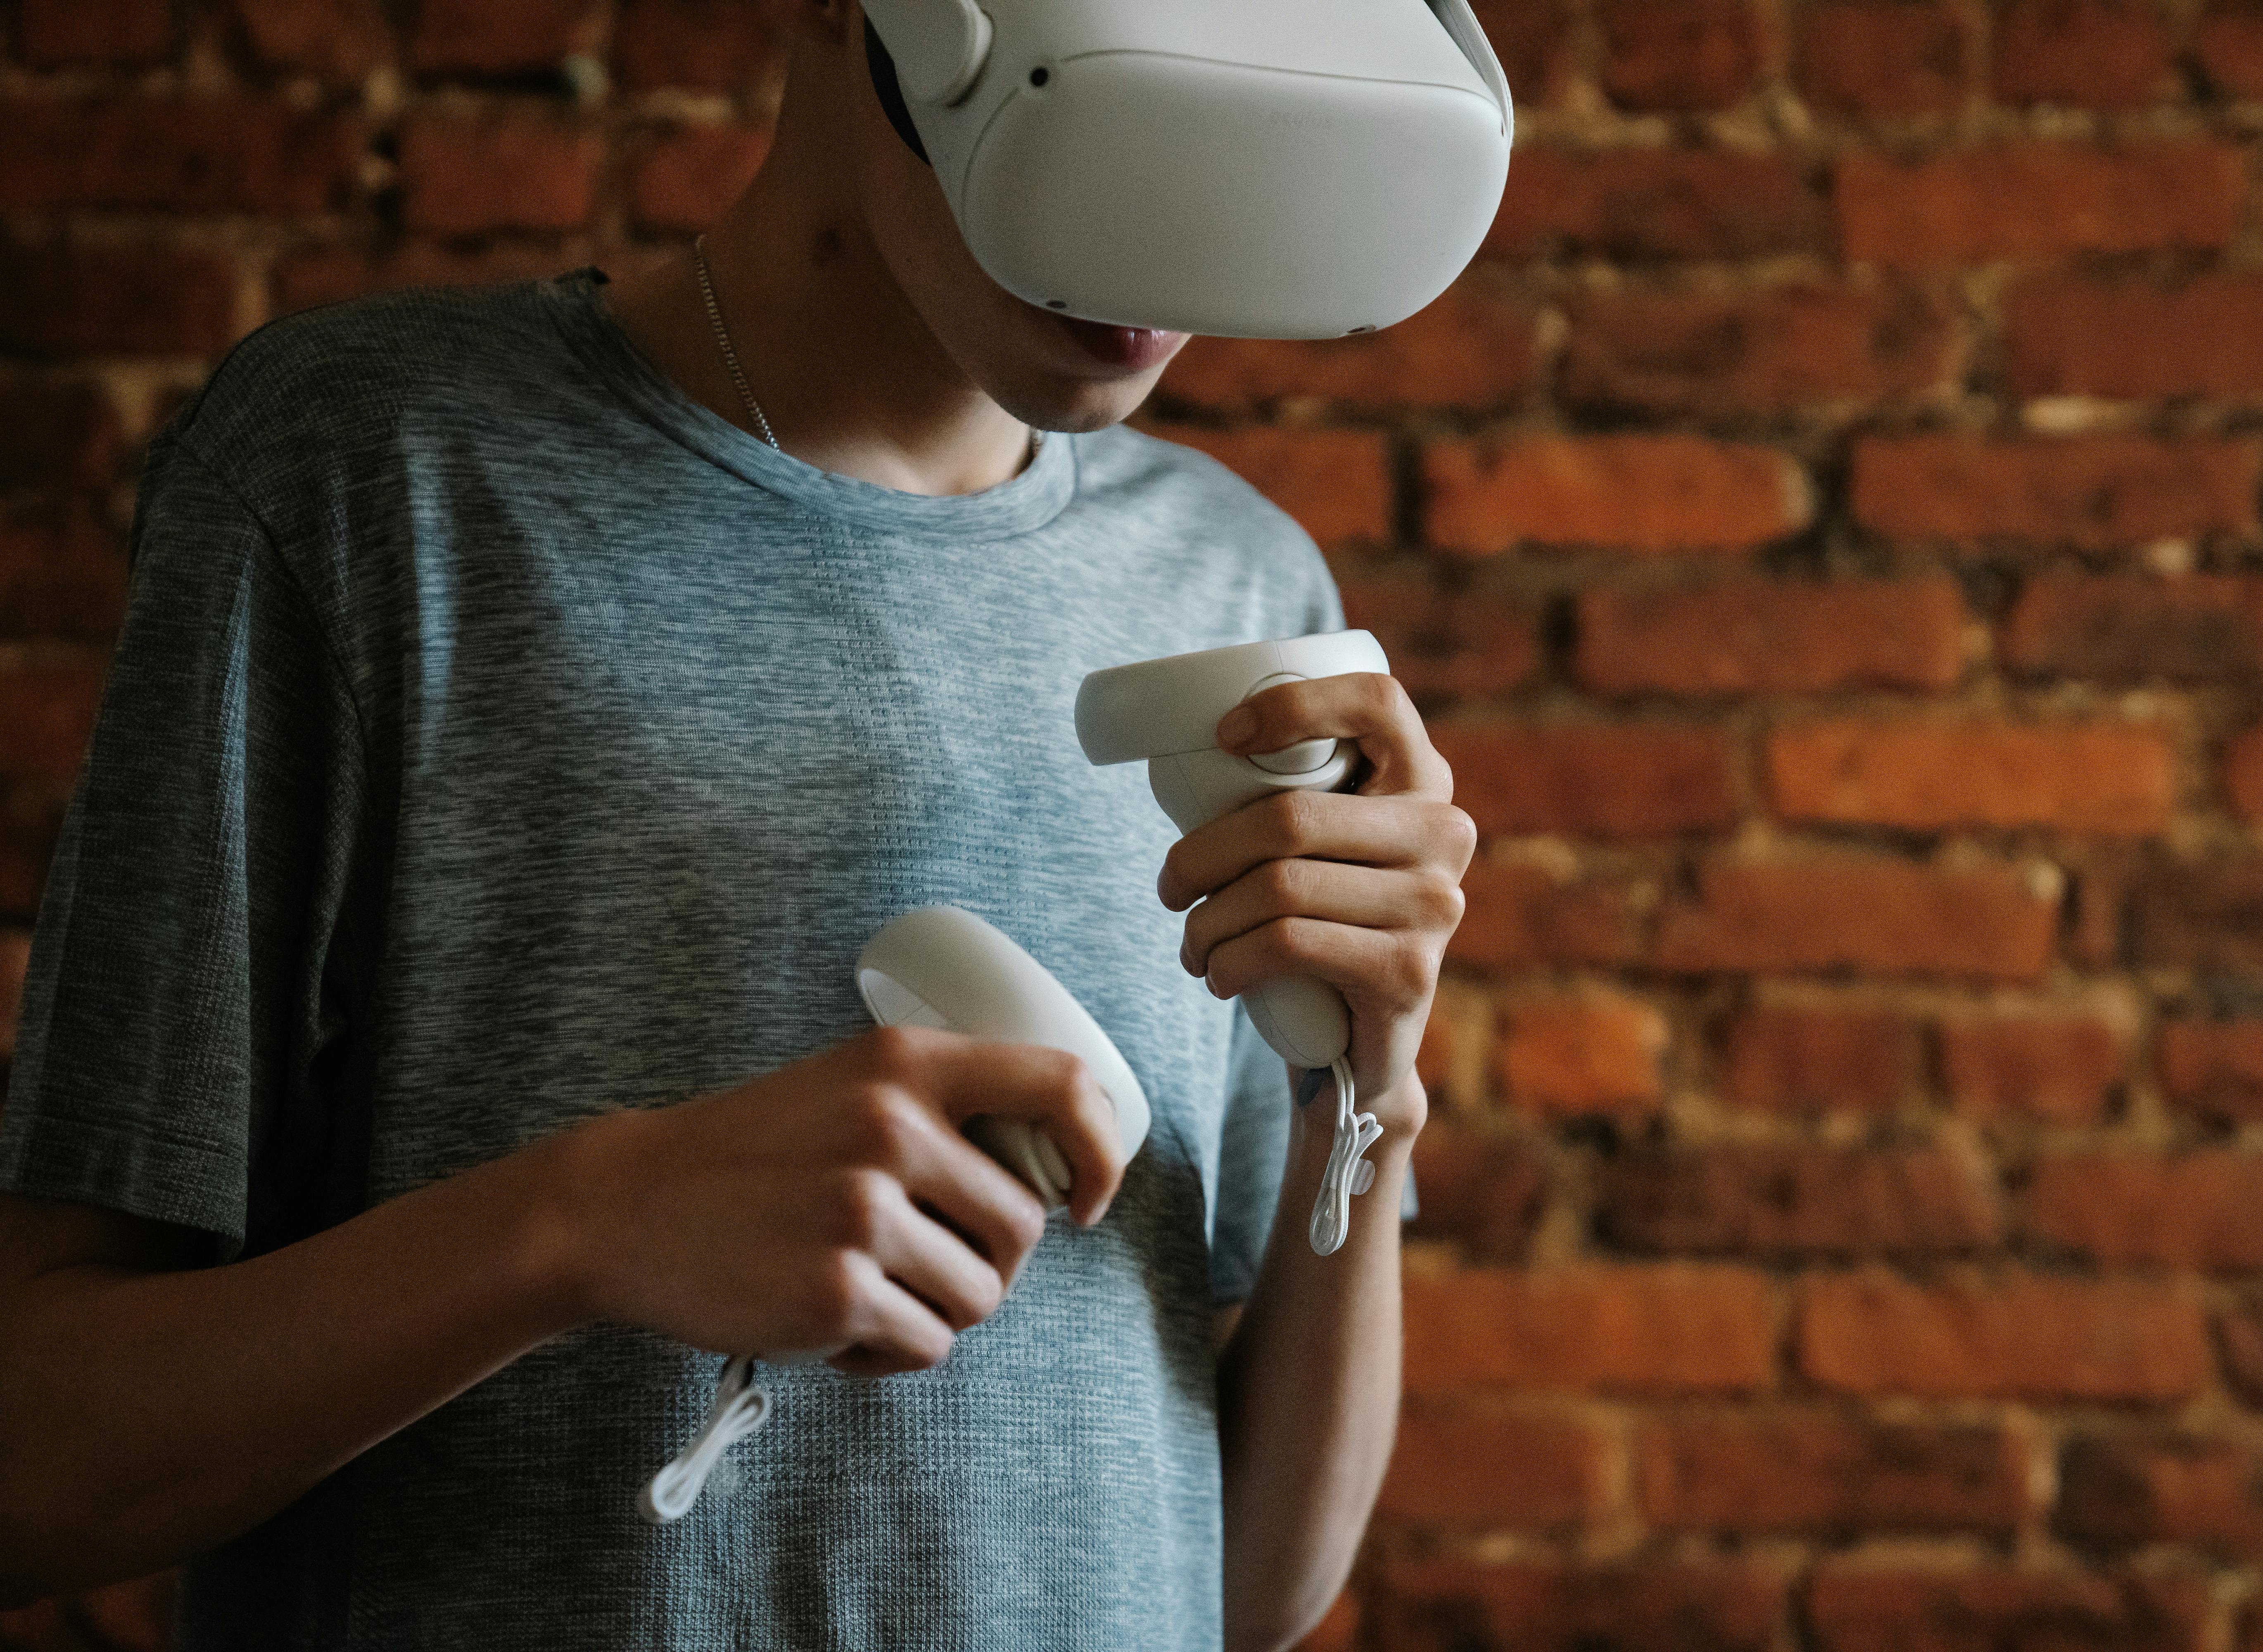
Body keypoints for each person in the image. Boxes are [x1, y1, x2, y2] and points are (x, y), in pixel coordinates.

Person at [0, 0, 1474, 1648]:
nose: (1153, 267)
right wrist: (582, 1225)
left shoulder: (1242, 590)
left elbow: (1247, 1595)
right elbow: (38, 1463)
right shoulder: (371, 483)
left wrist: (1374, 1084)